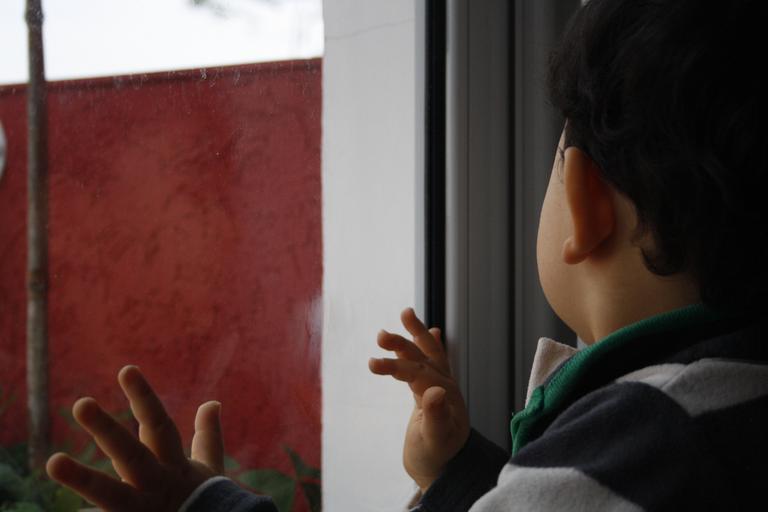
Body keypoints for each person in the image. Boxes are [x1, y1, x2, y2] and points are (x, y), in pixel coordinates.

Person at [47, 0, 768, 509]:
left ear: (584, 203)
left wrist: (204, 503)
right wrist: (460, 473)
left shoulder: (648, 436)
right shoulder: (727, 405)